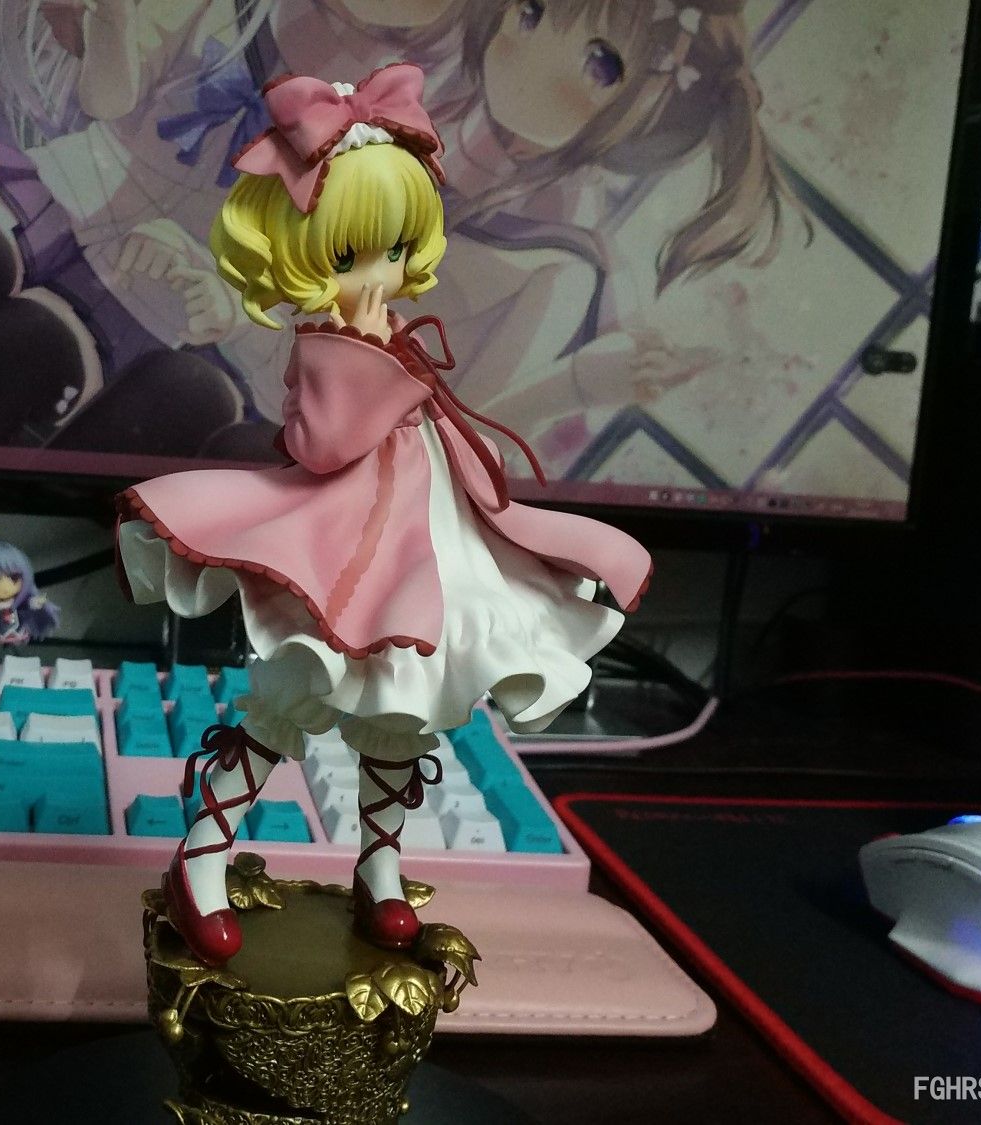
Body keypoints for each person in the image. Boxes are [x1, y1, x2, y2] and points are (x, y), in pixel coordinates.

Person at [116, 64, 651, 966]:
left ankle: (380, 866)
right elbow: (321, 445)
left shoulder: (388, 331)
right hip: (348, 542)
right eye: (346, 256)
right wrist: (368, 362)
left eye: (394, 249)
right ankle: (202, 856)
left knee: (405, 706)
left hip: (427, 530)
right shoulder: (326, 344)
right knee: (293, 694)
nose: (378, 273)